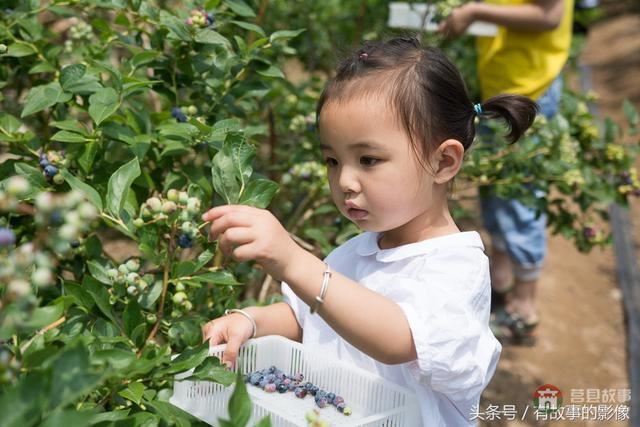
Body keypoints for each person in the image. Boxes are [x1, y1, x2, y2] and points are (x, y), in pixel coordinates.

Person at [201, 37, 537, 426]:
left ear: (443, 161)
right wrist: (252, 320)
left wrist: (294, 260)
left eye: (369, 160)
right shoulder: (353, 253)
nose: (345, 180)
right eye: (332, 160)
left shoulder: (455, 269)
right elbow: (308, 316)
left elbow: (398, 339)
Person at [439, 0, 574, 345]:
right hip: (503, 82)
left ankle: (524, 307)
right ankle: (500, 284)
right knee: (496, 185)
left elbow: (549, 15)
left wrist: (474, 12)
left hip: (531, 86)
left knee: (520, 195)